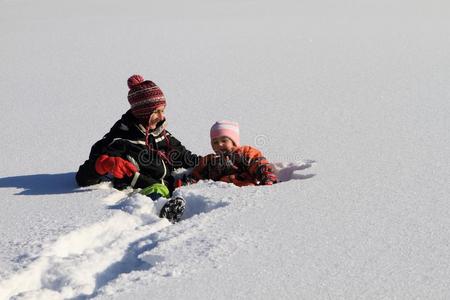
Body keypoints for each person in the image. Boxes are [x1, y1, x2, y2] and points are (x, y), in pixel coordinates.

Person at [76, 74, 200, 223]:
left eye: (163, 110)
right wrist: (103, 165)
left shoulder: (160, 133)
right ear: (142, 111)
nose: (161, 117)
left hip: (167, 184)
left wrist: (215, 161)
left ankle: (171, 204)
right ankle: (161, 210)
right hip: (140, 188)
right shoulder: (122, 140)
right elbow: (83, 177)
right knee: (156, 190)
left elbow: (184, 156)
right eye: (156, 112)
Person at [191, 121, 277, 186]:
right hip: (219, 193)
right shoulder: (210, 160)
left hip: (246, 189)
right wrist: (188, 181)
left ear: (233, 141)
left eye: (224, 140)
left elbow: (258, 163)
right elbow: (198, 174)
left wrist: (266, 176)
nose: (219, 144)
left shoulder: (245, 152)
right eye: (215, 142)